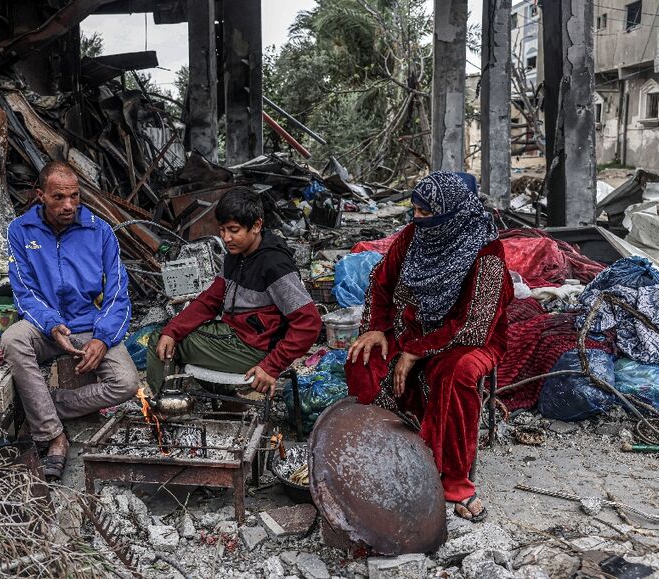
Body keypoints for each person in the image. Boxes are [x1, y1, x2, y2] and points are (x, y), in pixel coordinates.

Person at [344, 172, 513, 522]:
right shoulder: (414, 236)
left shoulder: (487, 253)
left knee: (456, 374)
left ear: (449, 214)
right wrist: (377, 328)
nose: (416, 219)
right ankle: (391, 448)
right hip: (412, 327)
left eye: (424, 212)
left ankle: (455, 480)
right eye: (415, 210)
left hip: (469, 338)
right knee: (363, 359)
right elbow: (381, 281)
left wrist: (417, 351)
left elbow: (475, 323)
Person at [1, 161, 138, 479]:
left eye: (74, 197)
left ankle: (46, 405)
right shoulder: (21, 231)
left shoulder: (100, 231)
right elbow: (24, 290)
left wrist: (102, 337)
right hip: (44, 325)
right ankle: (54, 436)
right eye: (59, 197)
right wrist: (51, 324)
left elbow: (118, 293)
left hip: (89, 323)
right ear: (40, 195)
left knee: (127, 383)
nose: (69, 205)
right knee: (12, 339)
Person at [147, 187, 321, 401]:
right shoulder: (236, 256)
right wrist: (172, 330)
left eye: (234, 230)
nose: (226, 238)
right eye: (222, 230)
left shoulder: (274, 264)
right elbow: (209, 302)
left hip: (255, 349)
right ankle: (230, 402)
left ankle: (162, 411)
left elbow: (309, 323)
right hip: (235, 335)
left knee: (156, 338)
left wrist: (272, 365)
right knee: (170, 334)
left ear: (257, 226)